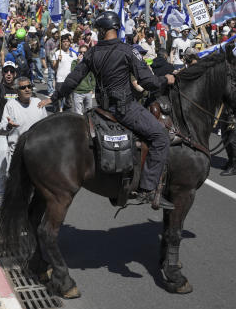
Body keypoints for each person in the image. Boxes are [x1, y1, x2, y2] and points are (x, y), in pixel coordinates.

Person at [39, 11, 177, 209]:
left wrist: (54, 97)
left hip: (102, 109)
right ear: (116, 29)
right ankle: (148, 189)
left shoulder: (91, 53)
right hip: (126, 109)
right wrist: (167, 79)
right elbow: (149, 82)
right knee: (160, 137)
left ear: (102, 31)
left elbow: (73, 79)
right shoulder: (128, 50)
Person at [0, 61, 20, 208]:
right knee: (2, 153)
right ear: (2, 73)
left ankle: (14, 193)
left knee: (14, 163)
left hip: (15, 133)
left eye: (11, 71)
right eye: (6, 71)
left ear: (15, 74)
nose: (8, 74)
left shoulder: (19, 89)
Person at [50, 33, 78, 112]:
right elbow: (54, 68)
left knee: (68, 101)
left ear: (70, 43)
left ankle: (67, 115)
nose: (65, 43)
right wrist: (58, 60)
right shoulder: (57, 53)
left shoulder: (74, 54)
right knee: (58, 98)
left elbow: (76, 67)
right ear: (61, 43)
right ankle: (57, 113)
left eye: (67, 41)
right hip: (60, 79)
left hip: (70, 80)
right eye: (64, 41)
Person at [70, 43, 97, 114]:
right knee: (78, 114)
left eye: (84, 52)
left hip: (88, 91)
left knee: (89, 113)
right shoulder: (74, 62)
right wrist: (78, 63)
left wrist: (92, 88)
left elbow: (93, 77)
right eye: (80, 52)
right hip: (77, 92)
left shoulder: (90, 63)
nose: (82, 54)